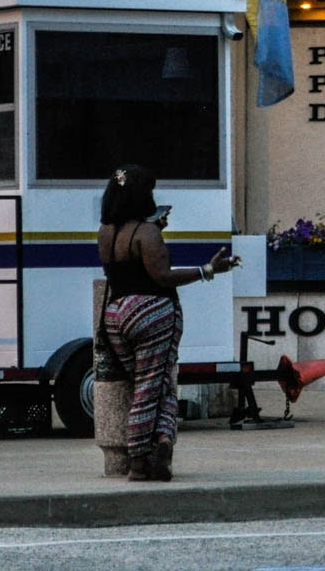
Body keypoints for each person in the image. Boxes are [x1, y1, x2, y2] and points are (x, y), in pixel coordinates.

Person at [96, 164, 236, 482]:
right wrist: (206, 271)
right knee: (152, 386)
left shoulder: (105, 231)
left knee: (152, 383)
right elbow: (162, 276)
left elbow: (117, 272)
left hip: (116, 315)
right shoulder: (147, 233)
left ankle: (162, 442)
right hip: (153, 311)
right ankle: (139, 461)